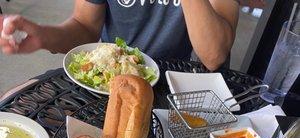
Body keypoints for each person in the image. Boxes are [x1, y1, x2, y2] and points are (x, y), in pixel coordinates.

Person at [0, 0, 239, 71]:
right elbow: (84, 26)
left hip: (176, 84)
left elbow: (213, 55)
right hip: (111, 73)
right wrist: (43, 36)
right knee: (13, 108)